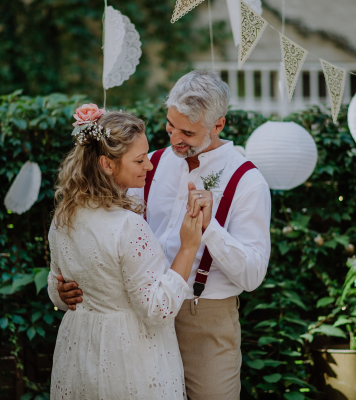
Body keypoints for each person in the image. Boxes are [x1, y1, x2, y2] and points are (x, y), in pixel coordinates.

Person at [55, 70, 272, 399]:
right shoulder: (147, 163)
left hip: (203, 317)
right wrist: (63, 285)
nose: (174, 139)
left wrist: (208, 228)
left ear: (218, 125)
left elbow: (253, 275)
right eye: (171, 125)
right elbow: (102, 231)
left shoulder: (246, 181)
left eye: (188, 131)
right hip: (137, 321)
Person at [46, 105, 203, 399]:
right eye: (140, 159)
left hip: (80, 351)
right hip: (128, 355)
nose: (149, 166)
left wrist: (59, 291)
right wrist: (189, 247)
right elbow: (157, 310)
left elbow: (57, 288)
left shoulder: (63, 217)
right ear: (107, 164)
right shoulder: (128, 226)